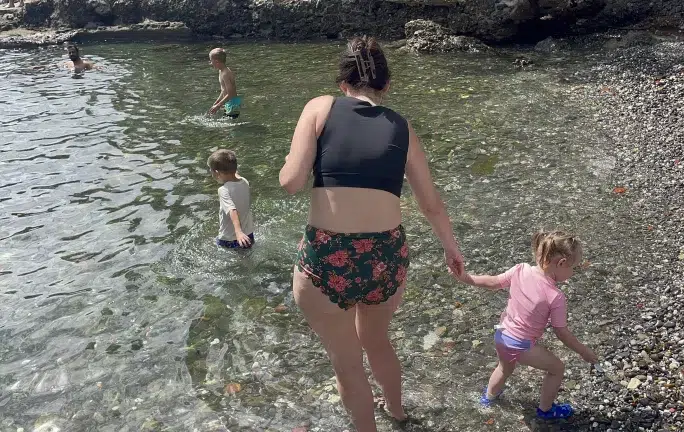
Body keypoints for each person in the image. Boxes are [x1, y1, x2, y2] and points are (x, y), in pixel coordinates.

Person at [279, 36, 464, 431]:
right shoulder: (402, 125)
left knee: (347, 365)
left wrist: (291, 161)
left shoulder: (319, 107)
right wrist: (451, 248)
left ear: (342, 83)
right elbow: (430, 203)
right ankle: (397, 412)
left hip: (329, 257)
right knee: (377, 341)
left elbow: (292, 182)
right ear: (386, 86)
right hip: (386, 257)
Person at [451, 230, 598, 419]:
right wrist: (584, 351)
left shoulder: (520, 269)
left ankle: (488, 399)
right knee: (557, 368)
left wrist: (465, 277)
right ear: (561, 264)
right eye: (573, 268)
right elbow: (561, 333)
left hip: (502, 335)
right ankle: (546, 410)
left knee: (504, 368)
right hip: (520, 345)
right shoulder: (556, 297)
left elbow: (493, 282)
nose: (572, 273)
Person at [208, 149, 254, 248]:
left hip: (229, 239)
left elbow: (232, 210)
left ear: (216, 173)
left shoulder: (223, 190)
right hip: (248, 235)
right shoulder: (244, 182)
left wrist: (238, 232)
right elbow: (235, 175)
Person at [207, 48, 241, 119]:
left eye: (211, 61)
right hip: (229, 103)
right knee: (225, 126)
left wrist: (218, 105)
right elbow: (223, 90)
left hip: (233, 103)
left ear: (216, 62)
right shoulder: (221, 71)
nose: (210, 63)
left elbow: (230, 93)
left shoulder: (226, 73)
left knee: (228, 128)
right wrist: (216, 102)